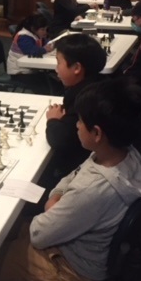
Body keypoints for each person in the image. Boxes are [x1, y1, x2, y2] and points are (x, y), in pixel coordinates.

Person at [0, 77, 141, 281]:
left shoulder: (92, 190)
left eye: (80, 121)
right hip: (74, 240)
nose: (76, 125)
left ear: (97, 133)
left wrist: (53, 205)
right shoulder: (122, 153)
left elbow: (39, 235)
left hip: (71, 269)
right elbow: (72, 176)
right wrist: (56, 198)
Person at [45, 34, 107, 181]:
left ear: (77, 68)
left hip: (80, 169)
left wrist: (53, 120)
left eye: (58, 62)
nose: (56, 69)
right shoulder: (98, 83)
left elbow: (61, 140)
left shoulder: (84, 99)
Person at [6, 13, 54, 94]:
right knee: (44, 87)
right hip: (19, 72)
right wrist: (45, 49)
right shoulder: (23, 37)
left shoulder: (36, 34)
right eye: (42, 29)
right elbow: (32, 51)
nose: (45, 32)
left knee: (52, 81)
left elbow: (44, 42)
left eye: (46, 29)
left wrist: (48, 45)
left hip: (29, 69)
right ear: (33, 29)